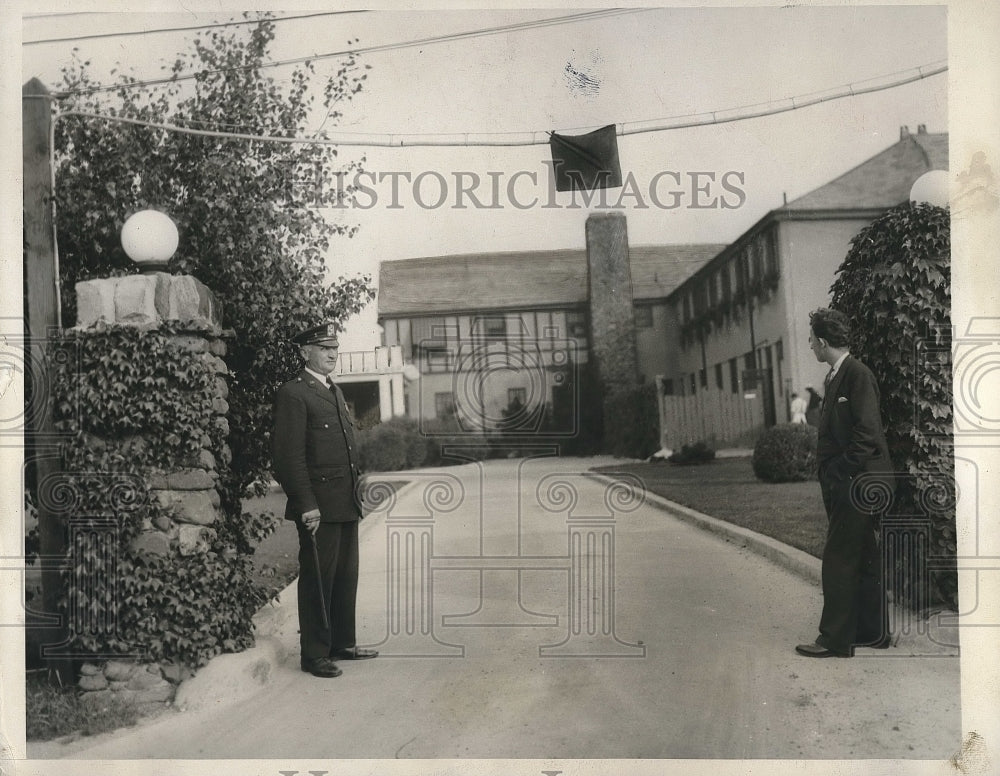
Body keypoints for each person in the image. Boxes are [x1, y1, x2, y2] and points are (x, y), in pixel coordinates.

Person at [271, 323, 378, 677]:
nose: (332, 353)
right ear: (305, 353)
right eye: (323, 348)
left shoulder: (333, 390)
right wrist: (306, 504)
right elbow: (288, 458)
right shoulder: (294, 393)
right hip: (317, 506)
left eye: (334, 347)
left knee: (345, 576)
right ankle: (314, 653)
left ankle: (341, 643)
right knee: (319, 578)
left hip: (344, 502)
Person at [796, 308, 894, 658]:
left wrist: (840, 473)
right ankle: (873, 633)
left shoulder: (857, 375)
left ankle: (834, 640)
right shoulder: (838, 376)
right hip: (856, 481)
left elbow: (867, 434)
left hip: (859, 482)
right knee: (864, 555)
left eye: (811, 340)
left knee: (838, 557)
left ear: (823, 342)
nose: (809, 346)